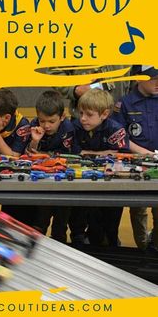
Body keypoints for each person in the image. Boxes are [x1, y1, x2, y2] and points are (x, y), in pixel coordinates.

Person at [72, 88, 130, 246]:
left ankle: (111, 247)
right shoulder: (76, 126)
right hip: (85, 185)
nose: (83, 119)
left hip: (111, 188)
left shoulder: (116, 130)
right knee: (87, 225)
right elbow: (74, 152)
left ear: (104, 114)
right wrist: (103, 153)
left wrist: (87, 154)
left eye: (89, 115)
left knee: (110, 227)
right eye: (81, 113)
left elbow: (120, 157)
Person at [112, 65, 158, 251]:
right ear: (139, 79)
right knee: (138, 208)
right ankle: (142, 246)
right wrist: (144, 153)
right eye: (154, 79)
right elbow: (120, 137)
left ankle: (155, 245)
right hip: (135, 163)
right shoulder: (124, 104)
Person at [28, 90, 77, 243]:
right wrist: (35, 141)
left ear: (62, 117)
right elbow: (29, 154)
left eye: (51, 121)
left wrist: (44, 155)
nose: (46, 126)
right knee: (40, 222)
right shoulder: (34, 126)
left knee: (60, 225)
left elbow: (66, 157)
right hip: (42, 182)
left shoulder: (68, 129)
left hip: (63, 183)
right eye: (42, 121)